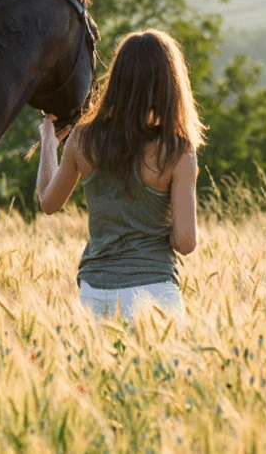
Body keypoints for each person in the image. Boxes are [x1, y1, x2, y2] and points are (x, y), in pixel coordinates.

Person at [35, 29, 205, 320]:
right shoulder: (178, 150)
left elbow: (48, 203)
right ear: (171, 84)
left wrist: (49, 145)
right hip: (155, 293)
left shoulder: (82, 138)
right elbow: (185, 243)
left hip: (95, 292)